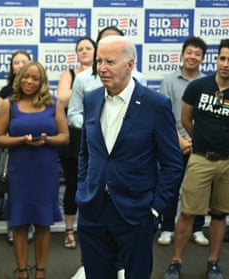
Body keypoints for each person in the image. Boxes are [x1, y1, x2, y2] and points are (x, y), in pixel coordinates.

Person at [77, 35, 183, 279]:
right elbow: (86, 152)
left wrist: (155, 209)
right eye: (98, 61)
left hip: (136, 213)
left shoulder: (156, 104)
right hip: (93, 210)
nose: (101, 68)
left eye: (110, 62)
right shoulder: (91, 99)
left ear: (130, 64)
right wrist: (84, 188)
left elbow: (172, 164)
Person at [0, 61, 69, 279]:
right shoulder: (9, 104)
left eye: (35, 78)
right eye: (26, 76)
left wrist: (47, 139)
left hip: (46, 171)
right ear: (20, 78)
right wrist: (20, 140)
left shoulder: (53, 104)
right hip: (20, 172)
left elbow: (65, 137)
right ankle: (22, 271)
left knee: (43, 223)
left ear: (42, 82)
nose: (29, 81)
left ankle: (40, 272)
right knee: (19, 222)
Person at [163, 38, 229, 279]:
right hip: (200, 158)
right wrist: (201, 140)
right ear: (216, 59)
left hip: (228, 162)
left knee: (220, 213)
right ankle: (175, 261)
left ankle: (213, 262)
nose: (226, 64)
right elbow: (185, 120)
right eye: (222, 58)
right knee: (188, 212)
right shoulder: (198, 87)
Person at [157, 36, 209, 247]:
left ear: (203, 58)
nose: (192, 57)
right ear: (182, 54)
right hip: (173, 142)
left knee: (199, 190)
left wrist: (196, 140)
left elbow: (207, 117)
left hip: (200, 144)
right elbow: (163, 115)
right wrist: (179, 139)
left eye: (197, 54)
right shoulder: (169, 81)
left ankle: (197, 229)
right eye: (189, 52)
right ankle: (167, 228)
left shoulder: (208, 83)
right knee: (170, 188)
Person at [67, 26, 147, 130]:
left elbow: (144, 115)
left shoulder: (138, 78)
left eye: (114, 43)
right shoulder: (82, 79)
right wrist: (95, 126)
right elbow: (73, 115)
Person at [56, 37, 95, 249]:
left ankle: (91, 229)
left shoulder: (105, 74)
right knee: (73, 186)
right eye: (80, 49)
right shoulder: (70, 75)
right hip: (74, 138)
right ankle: (69, 230)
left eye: (89, 48)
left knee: (96, 186)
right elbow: (62, 100)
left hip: (98, 137)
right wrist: (84, 83)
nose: (84, 51)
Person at [0, 50, 34, 245]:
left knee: (32, 191)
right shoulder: (5, 92)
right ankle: (12, 229)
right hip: (11, 149)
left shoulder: (39, 93)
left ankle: (32, 228)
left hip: (35, 150)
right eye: (16, 63)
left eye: (24, 62)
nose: (19, 66)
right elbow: (0, 125)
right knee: (13, 191)